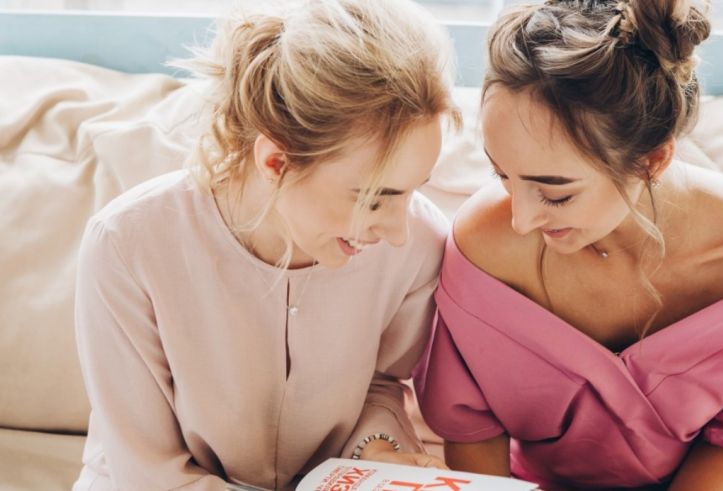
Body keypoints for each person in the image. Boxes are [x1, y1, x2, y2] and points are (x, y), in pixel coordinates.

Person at [414, 1, 723, 490]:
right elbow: (472, 432)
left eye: (555, 192)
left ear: (651, 161)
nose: (522, 220)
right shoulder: (483, 249)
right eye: (502, 174)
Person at [72, 1, 461, 489]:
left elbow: (380, 386)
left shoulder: (419, 242)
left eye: (412, 190)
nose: (398, 230)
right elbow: (146, 470)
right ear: (277, 161)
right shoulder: (126, 245)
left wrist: (378, 455)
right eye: (374, 198)